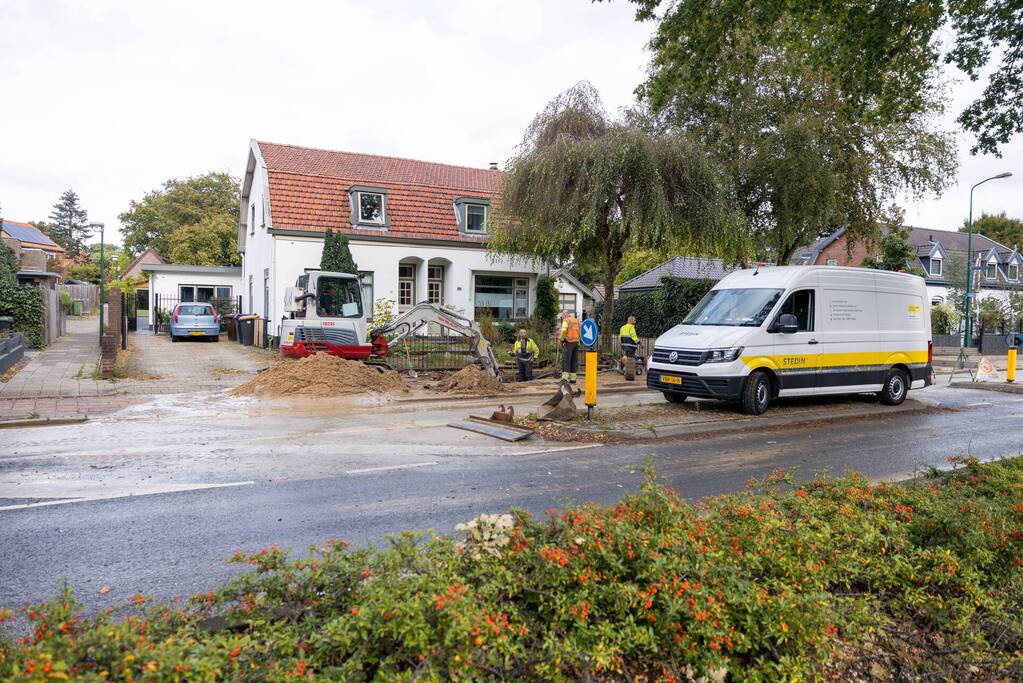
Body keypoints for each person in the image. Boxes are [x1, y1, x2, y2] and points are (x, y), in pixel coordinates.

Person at [559, 309, 581, 383]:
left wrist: (561, 339)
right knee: (574, 360)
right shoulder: (576, 321)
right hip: (576, 342)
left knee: (566, 360)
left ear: (565, 314)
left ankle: (565, 379)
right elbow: (580, 331)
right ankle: (573, 379)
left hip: (568, 342)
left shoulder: (566, 321)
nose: (562, 316)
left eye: (563, 315)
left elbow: (563, 330)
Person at [619, 314, 639, 380]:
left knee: (627, 358)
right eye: (634, 320)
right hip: (631, 346)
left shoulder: (622, 327)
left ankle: (624, 370)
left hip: (625, 346)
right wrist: (639, 342)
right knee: (631, 359)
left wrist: (622, 345)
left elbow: (620, 337)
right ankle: (628, 373)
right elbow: (634, 337)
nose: (635, 321)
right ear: (630, 320)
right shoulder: (631, 327)